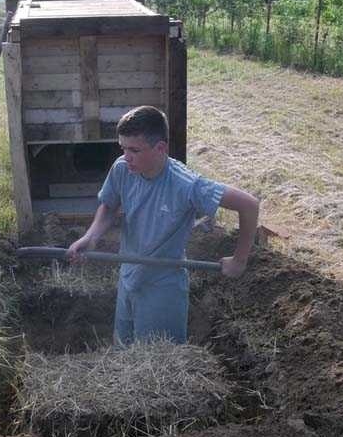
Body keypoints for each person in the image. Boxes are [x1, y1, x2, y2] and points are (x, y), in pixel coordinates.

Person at [67, 106, 260, 346]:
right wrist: (92, 236)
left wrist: (240, 260)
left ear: (160, 148)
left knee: (155, 366)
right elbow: (109, 205)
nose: (126, 156)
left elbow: (249, 205)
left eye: (134, 150)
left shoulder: (186, 185)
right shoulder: (122, 168)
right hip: (128, 277)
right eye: (123, 148)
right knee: (123, 354)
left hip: (162, 288)